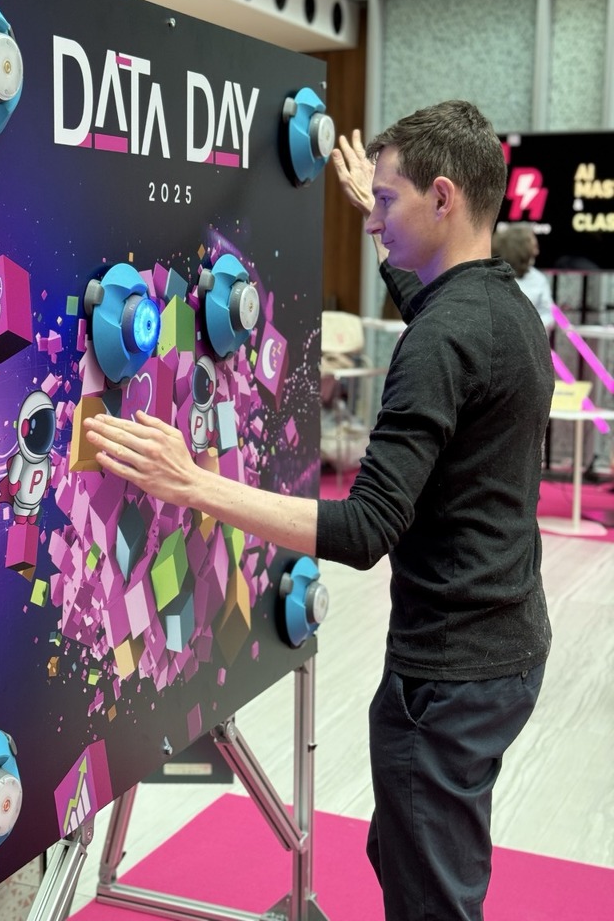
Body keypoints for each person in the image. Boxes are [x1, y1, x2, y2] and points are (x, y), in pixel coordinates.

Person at [84, 100, 554, 921]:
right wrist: (385, 220)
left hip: (451, 671)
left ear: (444, 198)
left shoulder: (441, 340)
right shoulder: (505, 310)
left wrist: (192, 483)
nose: (373, 219)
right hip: (506, 648)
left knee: (430, 890)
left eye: (389, 201)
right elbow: (440, 320)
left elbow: (366, 528)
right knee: (411, 851)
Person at [492, 222, 555, 331]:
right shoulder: (492, 275)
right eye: (533, 247)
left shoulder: (538, 279)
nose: (537, 252)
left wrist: (530, 329)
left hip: (530, 337)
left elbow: (548, 315)